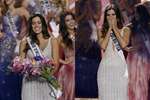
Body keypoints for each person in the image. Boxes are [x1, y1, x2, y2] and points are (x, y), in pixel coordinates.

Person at [19, 14, 59, 100]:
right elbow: (20, 64)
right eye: (33, 23)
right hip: (30, 83)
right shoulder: (25, 42)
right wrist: (29, 67)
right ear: (31, 26)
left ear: (43, 24)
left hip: (46, 82)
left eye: (39, 23)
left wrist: (46, 74)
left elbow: (56, 65)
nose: (36, 25)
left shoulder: (53, 41)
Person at [97, 4, 131, 100]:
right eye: (108, 15)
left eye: (113, 14)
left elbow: (123, 44)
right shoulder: (101, 31)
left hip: (120, 68)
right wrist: (109, 30)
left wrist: (115, 28)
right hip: (105, 68)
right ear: (105, 17)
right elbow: (103, 46)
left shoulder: (126, 30)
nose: (111, 17)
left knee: (120, 95)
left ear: (118, 16)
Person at [127, 4, 150, 100]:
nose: (135, 14)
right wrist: (130, 48)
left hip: (145, 59)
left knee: (143, 83)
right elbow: (125, 43)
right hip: (133, 58)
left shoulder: (148, 28)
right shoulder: (131, 27)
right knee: (133, 82)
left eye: (136, 12)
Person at [58, 12, 75, 100]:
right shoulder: (61, 37)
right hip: (70, 69)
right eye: (67, 20)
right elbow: (54, 55)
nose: (71, 22)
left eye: (72, 19)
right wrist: (64, 62)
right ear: (64, 23)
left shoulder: (81, 32)